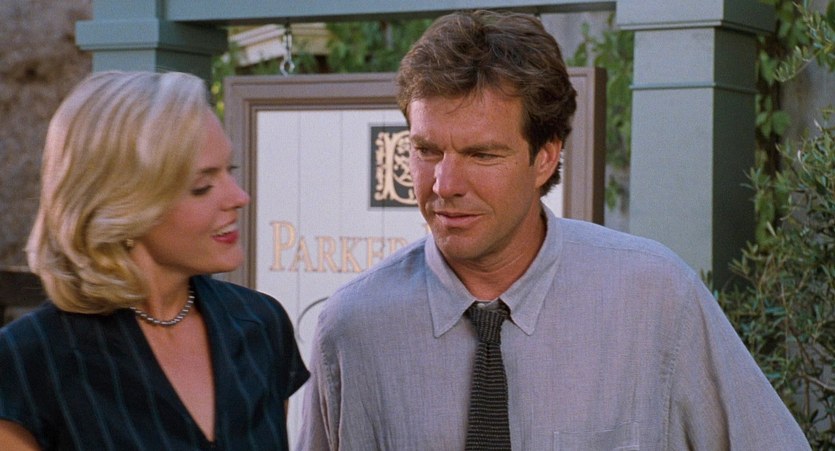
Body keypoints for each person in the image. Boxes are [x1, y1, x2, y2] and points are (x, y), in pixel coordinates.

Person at [296, 10, 810, 450]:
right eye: (426, 150)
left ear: (545, 157)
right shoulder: (353, 330)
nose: (444, 184)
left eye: (482, 155)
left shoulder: (654, 299)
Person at [0, 71, 309, 450]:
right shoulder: (27, 361)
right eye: (202, 186)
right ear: (123, 205)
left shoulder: (260, 325)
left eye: (229, 171)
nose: (238, 197)